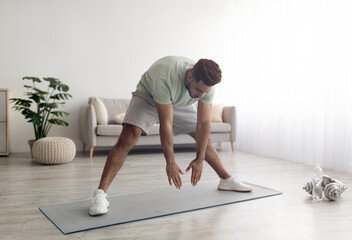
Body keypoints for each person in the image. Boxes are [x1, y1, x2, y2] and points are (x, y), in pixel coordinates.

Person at [89, 56, 252, 216]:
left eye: (205, 92)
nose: (201, 96)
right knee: (128, 136)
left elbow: (203, 124)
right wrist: (170, 162)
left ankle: (226, 179)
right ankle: (100, 195)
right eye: (199, 90)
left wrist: (199, 158)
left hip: (180, 101)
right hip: (149, 95)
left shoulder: (206, 87)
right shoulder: (166, 76)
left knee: (203, 138)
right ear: (189, 76)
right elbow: (165, 123)